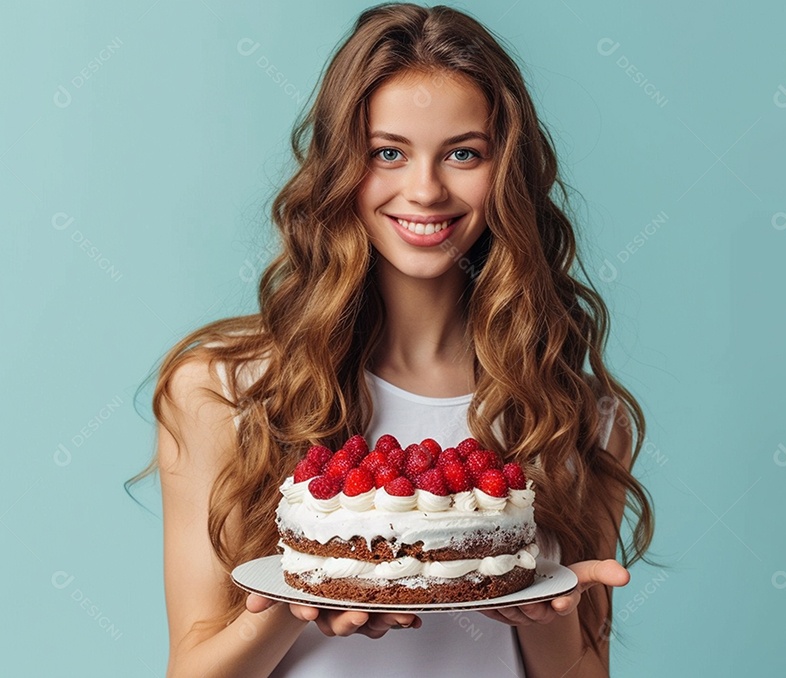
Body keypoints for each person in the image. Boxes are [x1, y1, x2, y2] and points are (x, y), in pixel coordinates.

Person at [140, 3, 655, 676]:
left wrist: (541, 609)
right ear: (338, 167)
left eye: (463, 153)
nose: (425, 189)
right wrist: (298, 600)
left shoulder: (572, 414)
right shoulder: (221, 390)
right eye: (388, 153)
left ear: (509, 173)